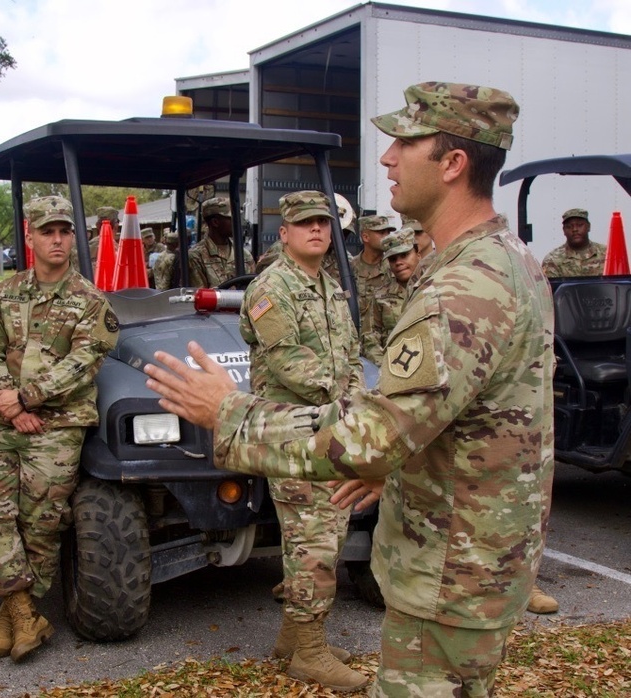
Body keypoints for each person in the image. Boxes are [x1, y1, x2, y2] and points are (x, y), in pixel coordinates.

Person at [145, 82, 553, 697]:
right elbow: (482, 414)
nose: (387, 159)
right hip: (471, 553)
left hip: (452, 568)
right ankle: (300, 641)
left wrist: (227, 414)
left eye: (403, 143)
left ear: (452, 163)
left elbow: (369, 436)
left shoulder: (464, 284)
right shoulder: (507, 258)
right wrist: (403, 456)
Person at [0, 195, 118, 663]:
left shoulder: (91, 301)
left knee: (40, 521)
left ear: (74, 237)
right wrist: (9, 404)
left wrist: (29, 398)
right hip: (5, 417)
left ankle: (16, 612)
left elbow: (85, 361)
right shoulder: (3, 294)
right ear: (30, 237)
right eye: (47, 231)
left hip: (60, 422)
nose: (57, 239)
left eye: (64, 231)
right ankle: (20, 610)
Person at [240, 190, 367, 692]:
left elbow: (351, 355)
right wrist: (349, 399)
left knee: (329, 530)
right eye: (306, 223)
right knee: (312, 538)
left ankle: (294, 640)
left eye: (324, 221)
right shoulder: (273, 287)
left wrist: (355, 395)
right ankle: (310, 653)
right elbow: (285, 360)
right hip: (292, 431)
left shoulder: (329, 286)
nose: (318, 229)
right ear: (285, 233)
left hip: (330, 425)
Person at [360, 227, 421, 365]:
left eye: (404, 255)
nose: (398, 262)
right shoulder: (381, 296)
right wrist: (386, 366)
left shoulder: (433, 288)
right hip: (392, 366)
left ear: (418, 254)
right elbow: (369, 338)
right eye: (393, 259)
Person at [188, 197, 255, 288]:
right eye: (231, 219)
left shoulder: (244, 255)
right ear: (215, 222)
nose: (237, 223)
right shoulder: (196, 257)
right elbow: (199, 297)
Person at [351, 214, 394, 321]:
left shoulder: (393, 267)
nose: (387, 237)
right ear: (366, 237)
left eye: (388, 233)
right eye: (381, 233)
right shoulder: (349, 267)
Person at [541, 208, 607, 277]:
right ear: (564, 230)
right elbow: (550, 287)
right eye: (569, 226)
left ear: (588, 227)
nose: (575, 229)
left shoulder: (607, 254)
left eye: (580, 225)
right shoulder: (552, 260)